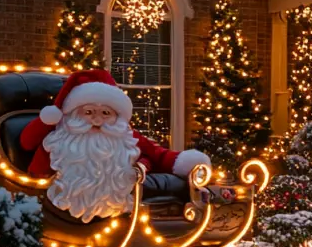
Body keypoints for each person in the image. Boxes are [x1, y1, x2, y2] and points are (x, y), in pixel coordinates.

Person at [20, 68, 210, 221]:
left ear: (116, 115)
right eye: (88, 112)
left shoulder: (122, 135)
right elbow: (27, 142)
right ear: (74, 113)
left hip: (117, 209)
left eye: (105, 113)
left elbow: (155, 154)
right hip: (56, 206)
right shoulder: (60, 138)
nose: (97, 120)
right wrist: (46, 121)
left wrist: (169, 163)